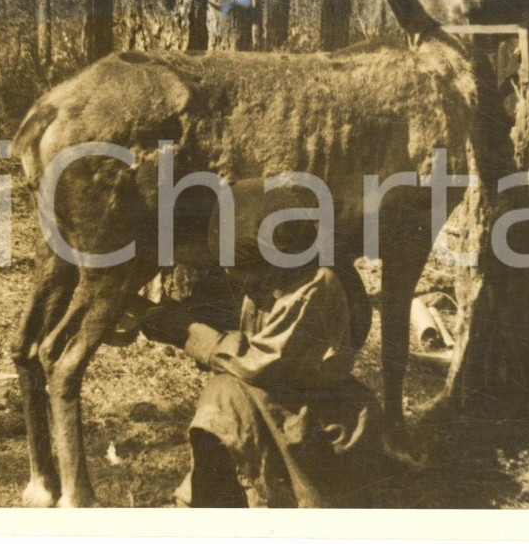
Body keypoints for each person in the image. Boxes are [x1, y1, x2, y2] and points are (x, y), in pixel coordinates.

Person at [139, 179, 387, 508]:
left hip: (322, 426)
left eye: (240, 269)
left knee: (226, 393)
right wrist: (161, 317)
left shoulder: (315, 285)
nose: (233, 277)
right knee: (227, 393)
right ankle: (210, 497)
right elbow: (213, 313)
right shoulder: (270, 278)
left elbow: (260, 363)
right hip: (283, 408)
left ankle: (219, 499)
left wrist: (185, 332)